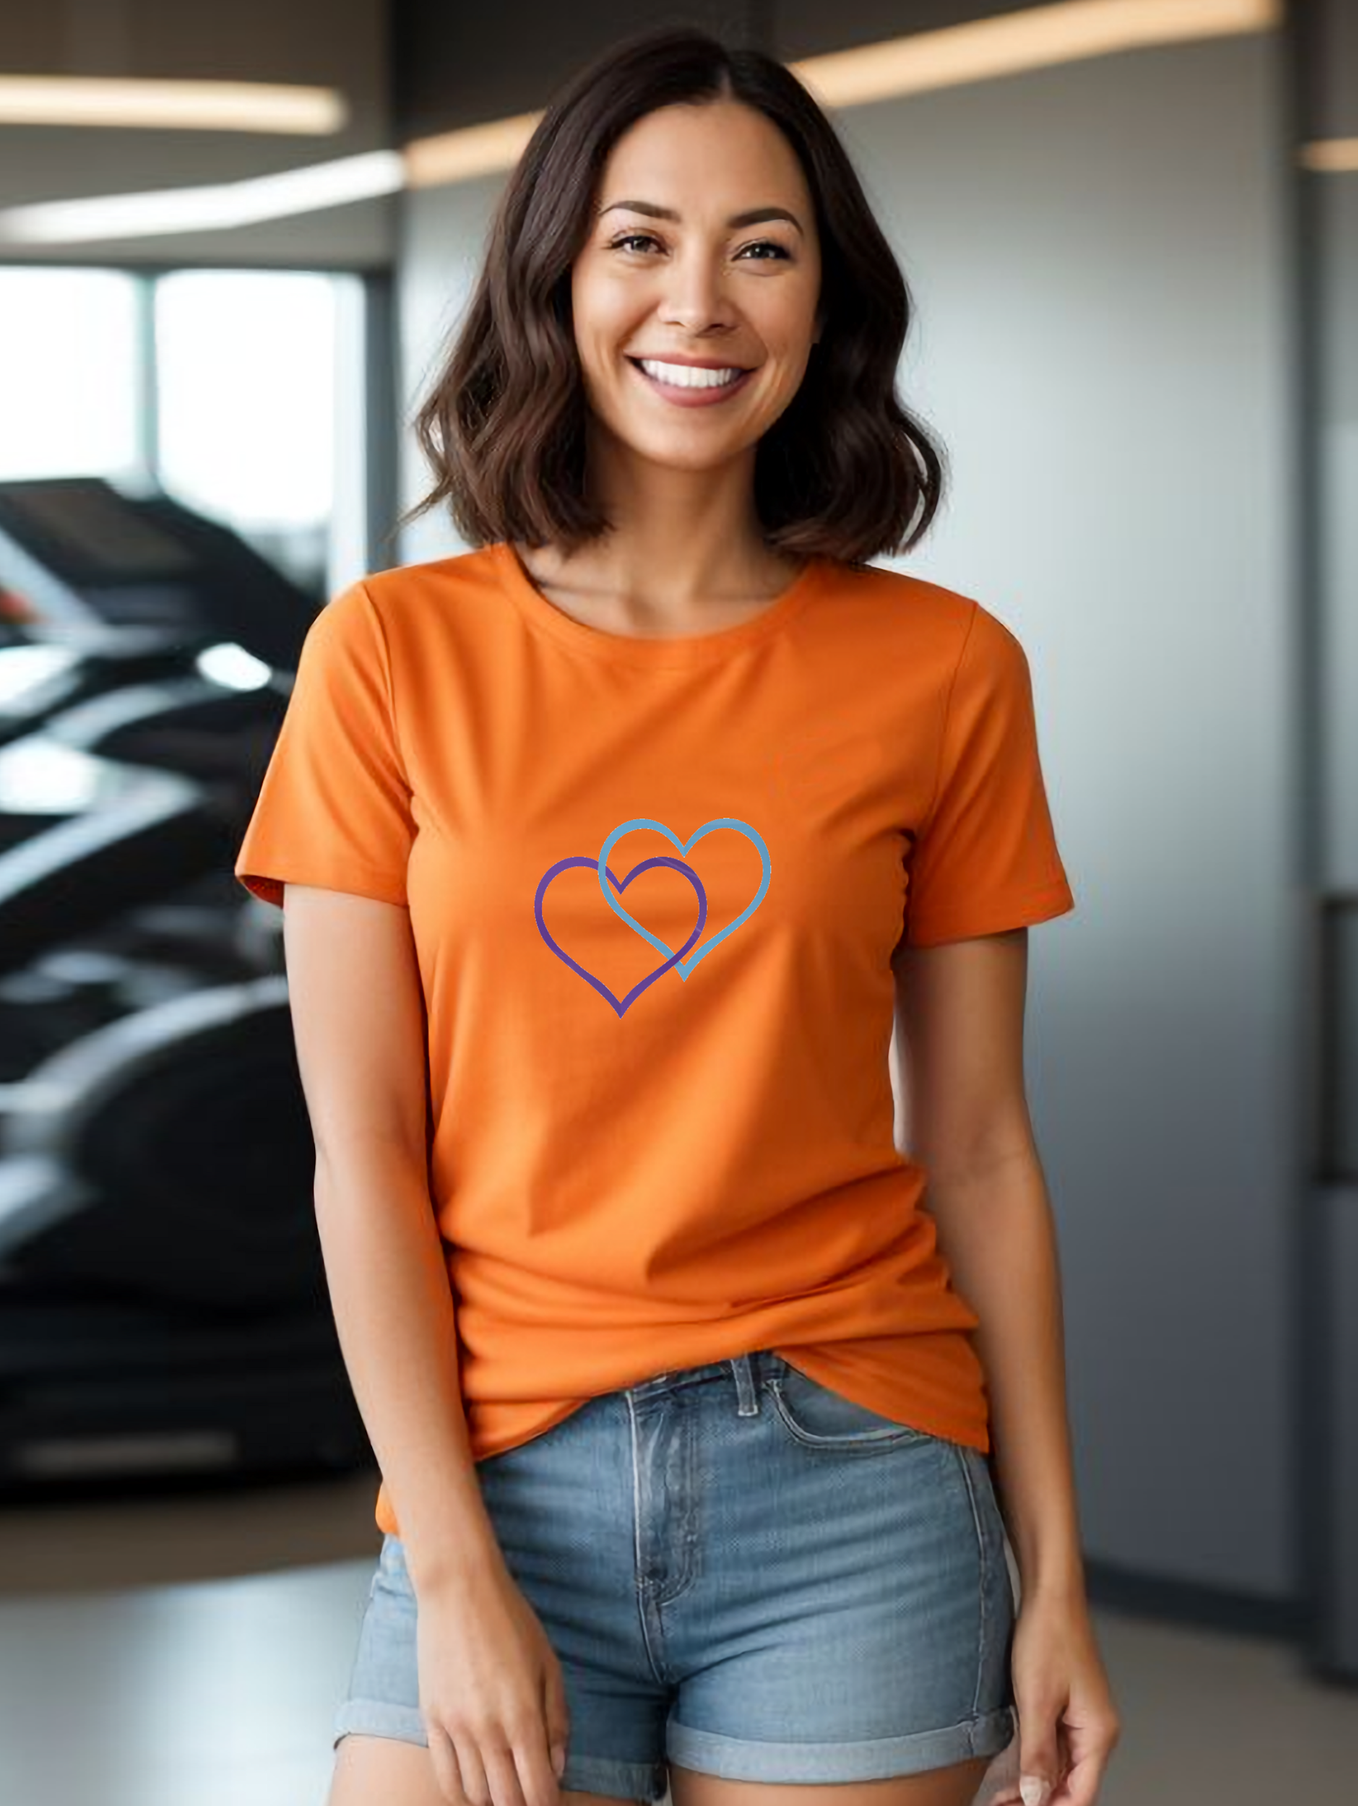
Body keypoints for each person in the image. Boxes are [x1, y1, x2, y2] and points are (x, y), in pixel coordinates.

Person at [234, 24, 1120, 1806]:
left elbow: (979, 1149)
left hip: (856, 1472)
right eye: (640, 240)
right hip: (499, 1461)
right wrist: (453, 1557)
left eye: (762, 247)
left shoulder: (944, 668)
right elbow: (364, 1150)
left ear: (825, 299)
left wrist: (1062, 1578)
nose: (698, 302)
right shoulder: (392, 654)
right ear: (559, 277)